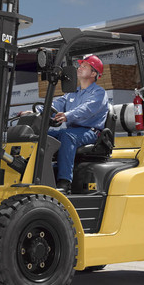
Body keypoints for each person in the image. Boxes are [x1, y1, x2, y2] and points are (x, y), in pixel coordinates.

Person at [46, 55, 108, 194]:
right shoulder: (71, 93)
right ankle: (41, 174)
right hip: (72, 131)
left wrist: (67, 115)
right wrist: (39, 111)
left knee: (67, 136)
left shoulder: (99, 93)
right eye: (80, 65)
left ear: (93, 73)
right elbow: (56, 105)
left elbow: (87, 109)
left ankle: (65, 182)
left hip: (90, 132)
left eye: (84, 66)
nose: (79, 68)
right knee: (43, 136)